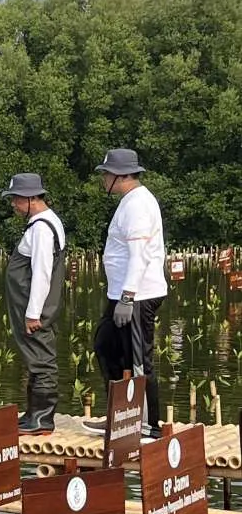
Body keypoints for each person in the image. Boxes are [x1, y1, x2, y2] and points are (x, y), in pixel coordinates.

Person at [86, 148, 167, 438]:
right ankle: (119, 418)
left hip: (137, 295)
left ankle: (148, 426)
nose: (103, 179)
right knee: (106, 347)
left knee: (138, 360)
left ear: (119, 176)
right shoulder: (129, 201)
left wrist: (127, 297)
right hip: (121, 294)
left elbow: (139, 254)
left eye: (105, 174)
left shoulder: (137, 205)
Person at [1, 174, 66, 435]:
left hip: (34, 307)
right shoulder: (45, 222)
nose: (14, 204)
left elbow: (42, 271)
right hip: (31, 305)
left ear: (31, 199)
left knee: (41, 359)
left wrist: (32, 313)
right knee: (36, 356)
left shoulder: (41, 227)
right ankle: (33, 415)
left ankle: (42, 419)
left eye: (16, 199)